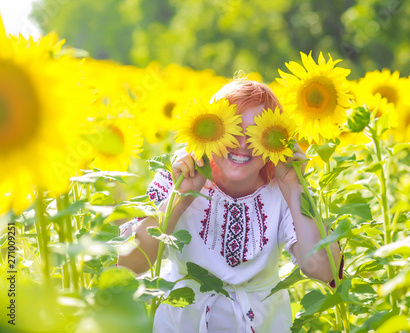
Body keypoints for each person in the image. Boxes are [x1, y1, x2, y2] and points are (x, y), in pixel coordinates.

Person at [117, 79, 343, 332]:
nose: (243, 143)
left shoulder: (284, 189)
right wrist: (181, 197)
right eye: (232, 129)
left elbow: (323, 270)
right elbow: (129, 264)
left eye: (259, 133)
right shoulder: (178, 177)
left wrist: (294, 188)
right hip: (182, 322)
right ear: (208, 131)